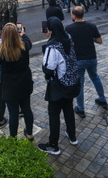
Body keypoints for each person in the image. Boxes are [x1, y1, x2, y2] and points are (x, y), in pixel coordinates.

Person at [38, 16, 80, 155]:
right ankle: (72, 136)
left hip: (59, 85)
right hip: (72, 82)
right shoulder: (68, 37)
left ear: (50, 29)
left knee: (54, 114)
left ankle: (53, 145)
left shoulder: (52, 46)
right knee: (68, 108)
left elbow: (48, 69)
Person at [0, 23, 34, 141]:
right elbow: (28, 42)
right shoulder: (23, 46)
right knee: (27, 109)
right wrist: (23, 34)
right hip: (24, 83)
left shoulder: (1, 51)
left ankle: (13, 138)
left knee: (13, 113)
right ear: (16, 34)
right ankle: (29, 133)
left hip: (10, 87)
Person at [65, 6, 108, 118]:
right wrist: (90, 38)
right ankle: (102, 99)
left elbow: (66, 44)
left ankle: (81, 108)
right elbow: (99, 41)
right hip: (91, 57)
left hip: (78, 59)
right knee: (95, 78)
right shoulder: (91, 26)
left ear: (74, 15)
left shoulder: (69, 28)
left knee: (80, 84)